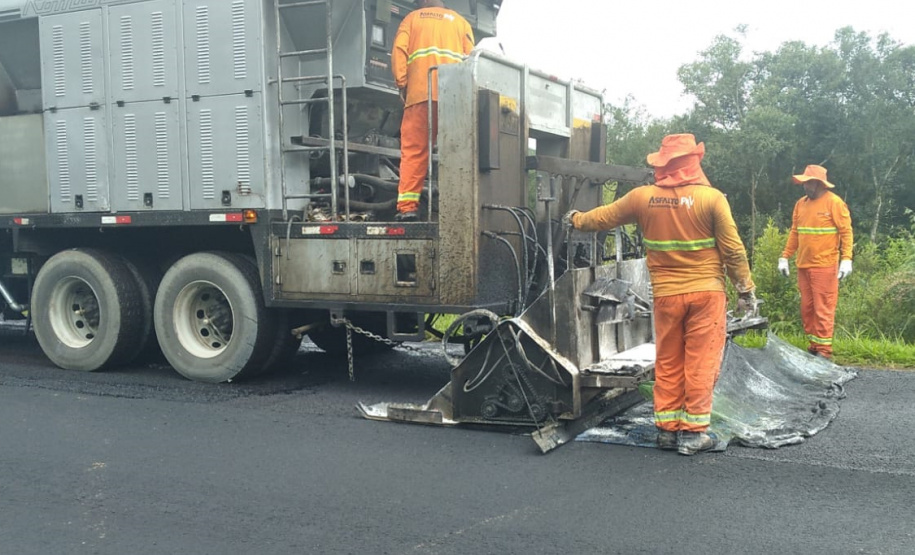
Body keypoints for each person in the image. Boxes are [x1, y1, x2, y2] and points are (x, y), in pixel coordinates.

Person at [564, 134, 757, 456]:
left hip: (667, 296)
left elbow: (601, 218)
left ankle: (666, 431)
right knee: (701, 362)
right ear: (693, 162)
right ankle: (694, 433)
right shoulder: (711, 199)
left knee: (668, 361)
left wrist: (574, 219)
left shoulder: (643, 198)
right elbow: (733, 250)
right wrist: (745, 290)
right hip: (706, 294)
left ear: (663, 164)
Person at [391, 0, 474, 222]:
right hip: (454, 99)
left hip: (420, 95)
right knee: (457, 153)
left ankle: (408, 208)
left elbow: (399, 52)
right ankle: (458, 210)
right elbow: (472, 60)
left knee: (414, 151)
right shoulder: (461, 23)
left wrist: (402, 83)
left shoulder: (412, 19)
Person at [777, 165, 853, 359]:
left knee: (823, 308)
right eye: (804, 183)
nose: (805, 186)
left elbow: (846, 232)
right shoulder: (800, 204)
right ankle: (814, 347)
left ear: (819, 184)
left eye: (808, 183)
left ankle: (824, 352)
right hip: (804, 265)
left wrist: (846, 259)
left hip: (825, 266)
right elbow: (795, 232)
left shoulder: (834, 203)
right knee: (808, 308)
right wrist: (784, 256)